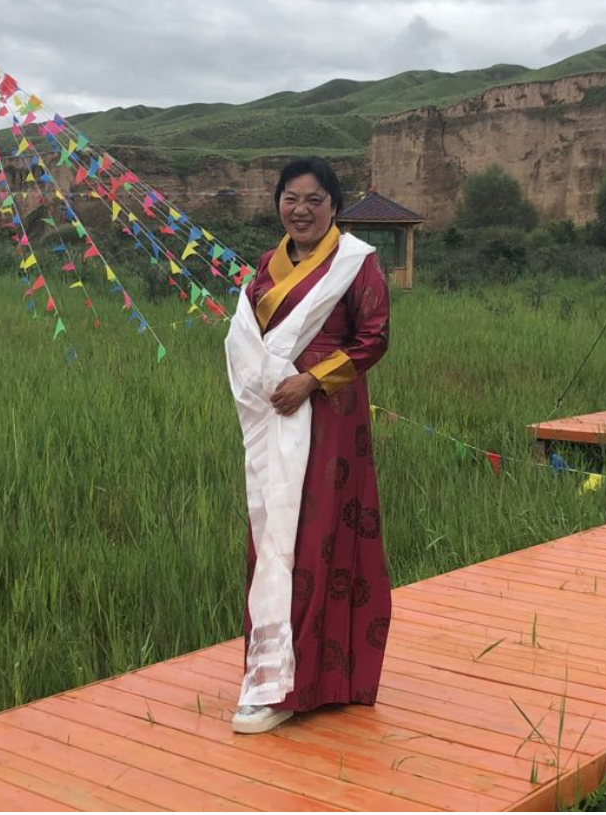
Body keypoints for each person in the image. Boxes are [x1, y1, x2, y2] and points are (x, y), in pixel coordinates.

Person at [225, 156, 391, 735]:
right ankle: (274, 673)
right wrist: (269, 381)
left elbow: (374, 339)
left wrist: (313, 380)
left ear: (334, 206)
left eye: (314, 200)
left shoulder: (357, 264)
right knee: (274, 533)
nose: (301, 210)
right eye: (290, 198)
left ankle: (321, 680)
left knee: (322, 535)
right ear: (277, 203)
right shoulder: (265, 267)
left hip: (331, 416)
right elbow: (247, 336)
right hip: (275, 414)